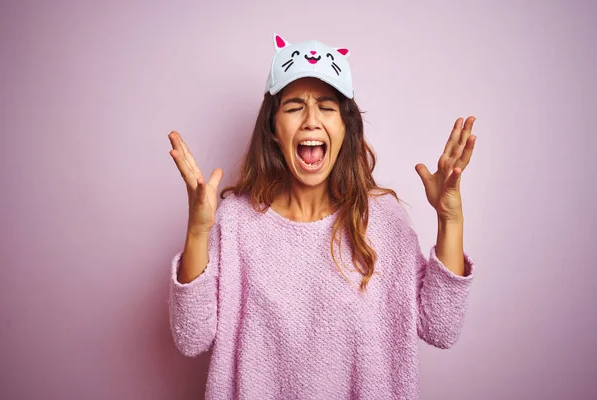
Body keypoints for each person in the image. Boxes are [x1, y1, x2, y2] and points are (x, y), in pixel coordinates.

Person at [167, 33, 477, 399]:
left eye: (327, 107)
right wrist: (198, 231)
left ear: (345, 128)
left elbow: (440, 328)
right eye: (295, 105)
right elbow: (191, 337)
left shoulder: (382, 219)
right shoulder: (236, 222)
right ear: (272, 128)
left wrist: (449, 220)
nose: (312, 120)